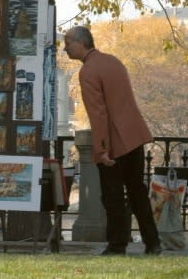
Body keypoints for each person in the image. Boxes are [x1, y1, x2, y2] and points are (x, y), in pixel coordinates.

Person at [64, 25, 161, 256]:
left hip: (114, 142)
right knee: (138, 192)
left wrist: (103, 149)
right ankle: (152, 242)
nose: (65, 48)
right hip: (134, 136)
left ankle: (117, 245)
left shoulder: (88, 71)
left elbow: (98, 113)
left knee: (113, 196)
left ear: (81, 43)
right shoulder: (114, 62)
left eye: (68, 43)